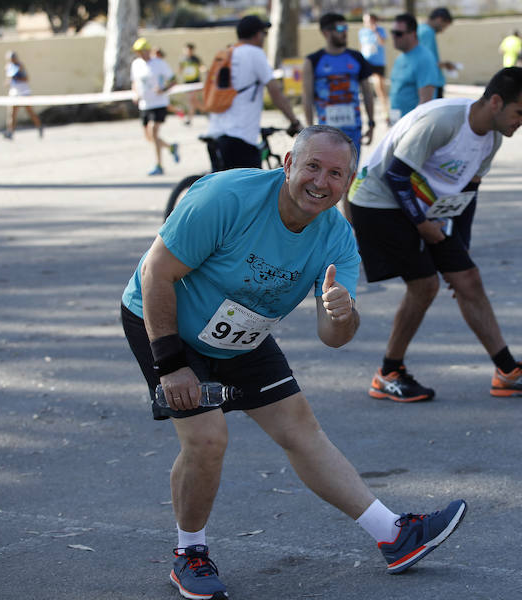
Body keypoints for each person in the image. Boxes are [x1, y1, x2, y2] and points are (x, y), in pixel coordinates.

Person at [120, 124, 468, 600]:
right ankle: (190, 553)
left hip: (241, 328)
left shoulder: (338, 238)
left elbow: (333, 338)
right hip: (165, 320)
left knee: (301, 430)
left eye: (336, 174)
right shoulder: (226, 197)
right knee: (207, 438)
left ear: (348, 181)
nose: (322, 182)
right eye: (312, 167)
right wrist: (170, 364)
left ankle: (394, 535)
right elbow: (155, 272)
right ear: (287, 163)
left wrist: (341, 313)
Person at [348, 67, 522, 403]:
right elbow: (397, 176)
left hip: (427, 206)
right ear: (495, 101)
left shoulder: (491, 138)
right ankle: (388, 373)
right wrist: (423, 227)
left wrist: (459, 254)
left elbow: (468, 195)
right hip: (378, 201)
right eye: (520, 113)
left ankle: (507, 372)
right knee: (424, 284)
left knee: (469, 279)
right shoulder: (442, 122)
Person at [206, 15, 302, 169]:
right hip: (240, 138)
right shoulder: (255, 53)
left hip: (215, 132)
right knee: (253, 187)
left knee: (224, 188)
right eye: (264, 33)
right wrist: (294, 122)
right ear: (258, 34)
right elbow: (275, 92)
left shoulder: (228, 53)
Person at [303, 12, 376, 157]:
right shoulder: (313, 61)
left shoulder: (356, 57)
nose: (345, 33)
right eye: (341, 29)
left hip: (353, 131)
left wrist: (372, 123)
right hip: (325, 133)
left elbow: (367, 92)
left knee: (351, 176)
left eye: (346, 28)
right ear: (326, 32)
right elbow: (307, 97)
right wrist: (309, 131)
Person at [131, 38, 179, 176]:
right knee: (149, 137)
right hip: (145, 104)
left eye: (142, 51)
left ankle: (159, 165)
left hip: (159, 103)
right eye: (138, 52)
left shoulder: (159, 64)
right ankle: (171, 147)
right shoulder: (136, 64)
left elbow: (173, 80)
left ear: (148, 50)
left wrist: (163, 89)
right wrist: (135, 94)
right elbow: (134, 82)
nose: (140, 54)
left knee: (153, 131)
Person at [388, 13, 440, 124]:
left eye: (398, 33)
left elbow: (426, 101)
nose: (394, 37)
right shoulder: (400, 58)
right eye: (392, 32)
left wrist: (410, 127)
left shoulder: (424, 58)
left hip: (412, 128)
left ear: (413, 33)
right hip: (397, 124)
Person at [2, 50, 43, 140]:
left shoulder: (20, 66)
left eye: (13, 58)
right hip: (14, 93)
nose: (11, 60)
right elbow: (8, 79)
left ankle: (39, 127)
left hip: (24, 93)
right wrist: (8, 82)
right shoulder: (8, 67)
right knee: (12, 113)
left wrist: (15, 78)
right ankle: (10, 132)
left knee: (30, 112)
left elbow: (26, 79)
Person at [417, 7, 456, 99]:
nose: (443, 30)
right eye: (444, 26)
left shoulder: (420, 29)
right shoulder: (427, 32)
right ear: (439, 19)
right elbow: (428, 61)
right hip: (432, 82)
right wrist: (446, 65)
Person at [359, 13, 390, 118]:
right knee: (365, 86)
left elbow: (382, 42)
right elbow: (362, 45)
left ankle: (385, 109)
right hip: (367, 61)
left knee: (379, 86)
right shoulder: (362, 32)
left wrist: (375, 31)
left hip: (378, 62)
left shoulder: (380, 30)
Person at [178, 43, 203, 125]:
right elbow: (180, 70)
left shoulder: (195, 59)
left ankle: (190, 118)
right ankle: (203, 110)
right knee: (191, 101)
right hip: (187, 82)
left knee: (192, 99)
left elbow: (201, 67)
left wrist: (204, 70)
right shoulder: (183, 59)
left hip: (195, 82)